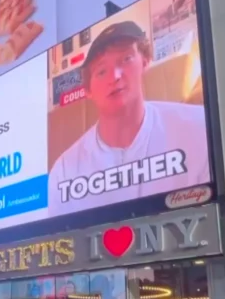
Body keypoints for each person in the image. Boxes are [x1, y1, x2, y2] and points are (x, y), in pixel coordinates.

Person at [48, 20, 209, 216]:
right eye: (101, 71)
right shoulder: (64, 171)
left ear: (145, 61)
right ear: (88, 90)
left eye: (126, 59)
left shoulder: (199, 129)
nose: (115, 75)